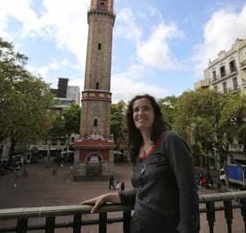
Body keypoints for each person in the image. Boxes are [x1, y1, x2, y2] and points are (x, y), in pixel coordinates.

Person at [81, 94, 199, 233]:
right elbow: (142, 193)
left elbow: (188, 189)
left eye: (146, 109)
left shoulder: (170, 140)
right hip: (138, 227)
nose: (140, 113)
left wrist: (186, 229)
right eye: (136, 110)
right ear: (132, 117)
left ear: (156, 114)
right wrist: (108, 197)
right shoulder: (138, 150)